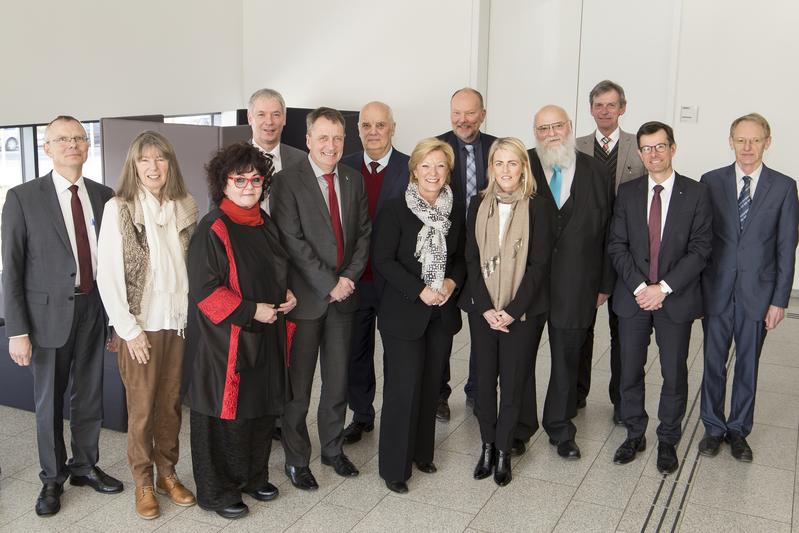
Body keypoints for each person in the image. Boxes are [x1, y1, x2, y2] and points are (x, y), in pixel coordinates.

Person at [1, 115, 121, 517]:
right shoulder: (22, 197)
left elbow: (115, 263)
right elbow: (11, 268)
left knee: (89, 395)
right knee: (49, 402)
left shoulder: (105, 196)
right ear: (46, 148)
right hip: (46, 316)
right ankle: (52, 479)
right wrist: (17, 330)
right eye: (63, 139)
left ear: (88, 146)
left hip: (93, 308)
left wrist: (116, 320)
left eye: (80, 138)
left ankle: (85, 466)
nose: (73, 144)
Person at [186, 142, 295, 519]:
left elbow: (276, 269)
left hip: (266, 334)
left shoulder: (265, 223)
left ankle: (252, 476)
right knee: (223, 418)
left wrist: (287, 294)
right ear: (223, 183)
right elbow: (205, 291)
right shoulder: (212, 229)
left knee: (259, 410)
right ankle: (217, 491)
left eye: (255, 178)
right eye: (240, 179)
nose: (249, 186)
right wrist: (252, 311)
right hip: (224, 344)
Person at [96, 131, 198, 519]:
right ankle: (143, 481)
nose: (153, 167)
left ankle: (168, 473)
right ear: (134, 166)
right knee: (141, 410)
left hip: (177, 324)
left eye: (161, 159)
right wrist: (129, 330)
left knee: (170, 406)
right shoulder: (118, 208)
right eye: (145, 160)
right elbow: (108, 275)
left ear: (170, 164)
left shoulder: (185, 206)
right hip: (139, 325)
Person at [270, 107, 371, 490]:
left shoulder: (353, 178)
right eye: (323, 137)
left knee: (337, 381)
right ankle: (296, 459)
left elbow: (363, 234)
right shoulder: (285, 181)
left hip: (343, 299)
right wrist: (329, 283)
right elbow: (291, 241)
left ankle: (332, 449)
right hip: (306, 302)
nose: (331, 145)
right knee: (298, 389)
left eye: (338, 138)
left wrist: (347, 278)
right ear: (308, 139)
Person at [608, 121, 712, 475]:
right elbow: (617, 244)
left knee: (673, 372)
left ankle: (668, 438)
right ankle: (634, 432)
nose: (653, 154)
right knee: (630, 370)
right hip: (633, 298)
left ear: (673, 148)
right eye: (647, 148)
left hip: (675, 299)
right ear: (639, 153)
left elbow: (700, 250)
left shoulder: (696, 193)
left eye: (660, 146)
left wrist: (662, 288)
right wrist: (640, 288)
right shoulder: (627, 192)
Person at [699, 113, 799, 461]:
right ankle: (712, 426)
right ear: (731, 141)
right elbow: (702, 241)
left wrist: (779, 300)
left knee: (747, 365)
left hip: (758, 294)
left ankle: (739, 429)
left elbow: (787, 247)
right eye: (741, 139)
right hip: (717, 291)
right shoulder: (710, 182)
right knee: (713, 362)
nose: (747, 147)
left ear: (767, 143)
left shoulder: (784, 187)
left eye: (755, 140)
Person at [373, 138, 465, 493]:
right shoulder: (396, 210)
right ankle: (394, 468)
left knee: (430, 387)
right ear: (414, 170)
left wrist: (452, 282)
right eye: (426, 165)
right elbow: (383, 261)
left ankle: (422, 453)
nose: (433, 172)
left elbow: (459, 255)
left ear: (448, 173)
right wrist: (419, 289)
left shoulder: (455, 211)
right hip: (404, 314)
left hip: (440, 314)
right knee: (402, 389)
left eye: (440, 166)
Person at [525, 105, 614, 461]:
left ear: (570, 127)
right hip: (527, 283)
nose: (551, 133)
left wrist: (605, 282)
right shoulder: (522, 165)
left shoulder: (597, 171)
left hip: (578, 283)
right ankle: (519, 427)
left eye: (557, 126)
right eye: (543, 127)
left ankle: (560, 428)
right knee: (521, 358)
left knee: (567, 357)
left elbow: (608, 230)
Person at [466, 137, 553, 486]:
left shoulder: (538, 207)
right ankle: (486, 445)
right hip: (483, 310)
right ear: (491, 168)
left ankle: (504, 450)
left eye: (512, 163)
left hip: (523, 313)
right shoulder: (476, 204)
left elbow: (538, 265)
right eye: (498, 163)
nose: (505, 171)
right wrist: (487, 308)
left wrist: (512, 311)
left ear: (523, 168)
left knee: (514, 382)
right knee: (485, 382)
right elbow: (471, 259)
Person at [576, 80, 646, 423]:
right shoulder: (575, 147)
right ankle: (575, 394)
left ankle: (621, 400)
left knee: (624, 331)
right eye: (598, 105)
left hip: (628, 254)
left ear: (623, 108)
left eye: (611, 105)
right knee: (581, 328)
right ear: (591, 109)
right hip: (585, 254)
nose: (605, 111)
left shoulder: (639, 147)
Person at [340, 101, 410, 444]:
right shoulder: (344, 167)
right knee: (357, 351)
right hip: (357, 279)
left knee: (396, 353)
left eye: (380, 125)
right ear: (358, 131)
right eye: (366, 125)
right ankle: (362, 414)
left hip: (396, 281)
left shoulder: (411, 167)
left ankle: (397, 414)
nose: (373, 132)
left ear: (393, 128)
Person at [436, 87, 498, 420]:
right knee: (443, 327)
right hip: (445, 254)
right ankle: (439, 394)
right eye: (457, 113)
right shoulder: (436, 147)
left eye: (470, 113)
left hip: (487, 254)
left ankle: (477, 390)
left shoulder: (497, 149)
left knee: (483, 324)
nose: (463, 120)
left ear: (483, 114)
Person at [247, 88, 306, 213]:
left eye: (276, 114)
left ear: (284, 119)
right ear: (250, 118)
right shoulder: (231, 161)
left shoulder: (302, 160)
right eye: (261, 114)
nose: (269, 122)